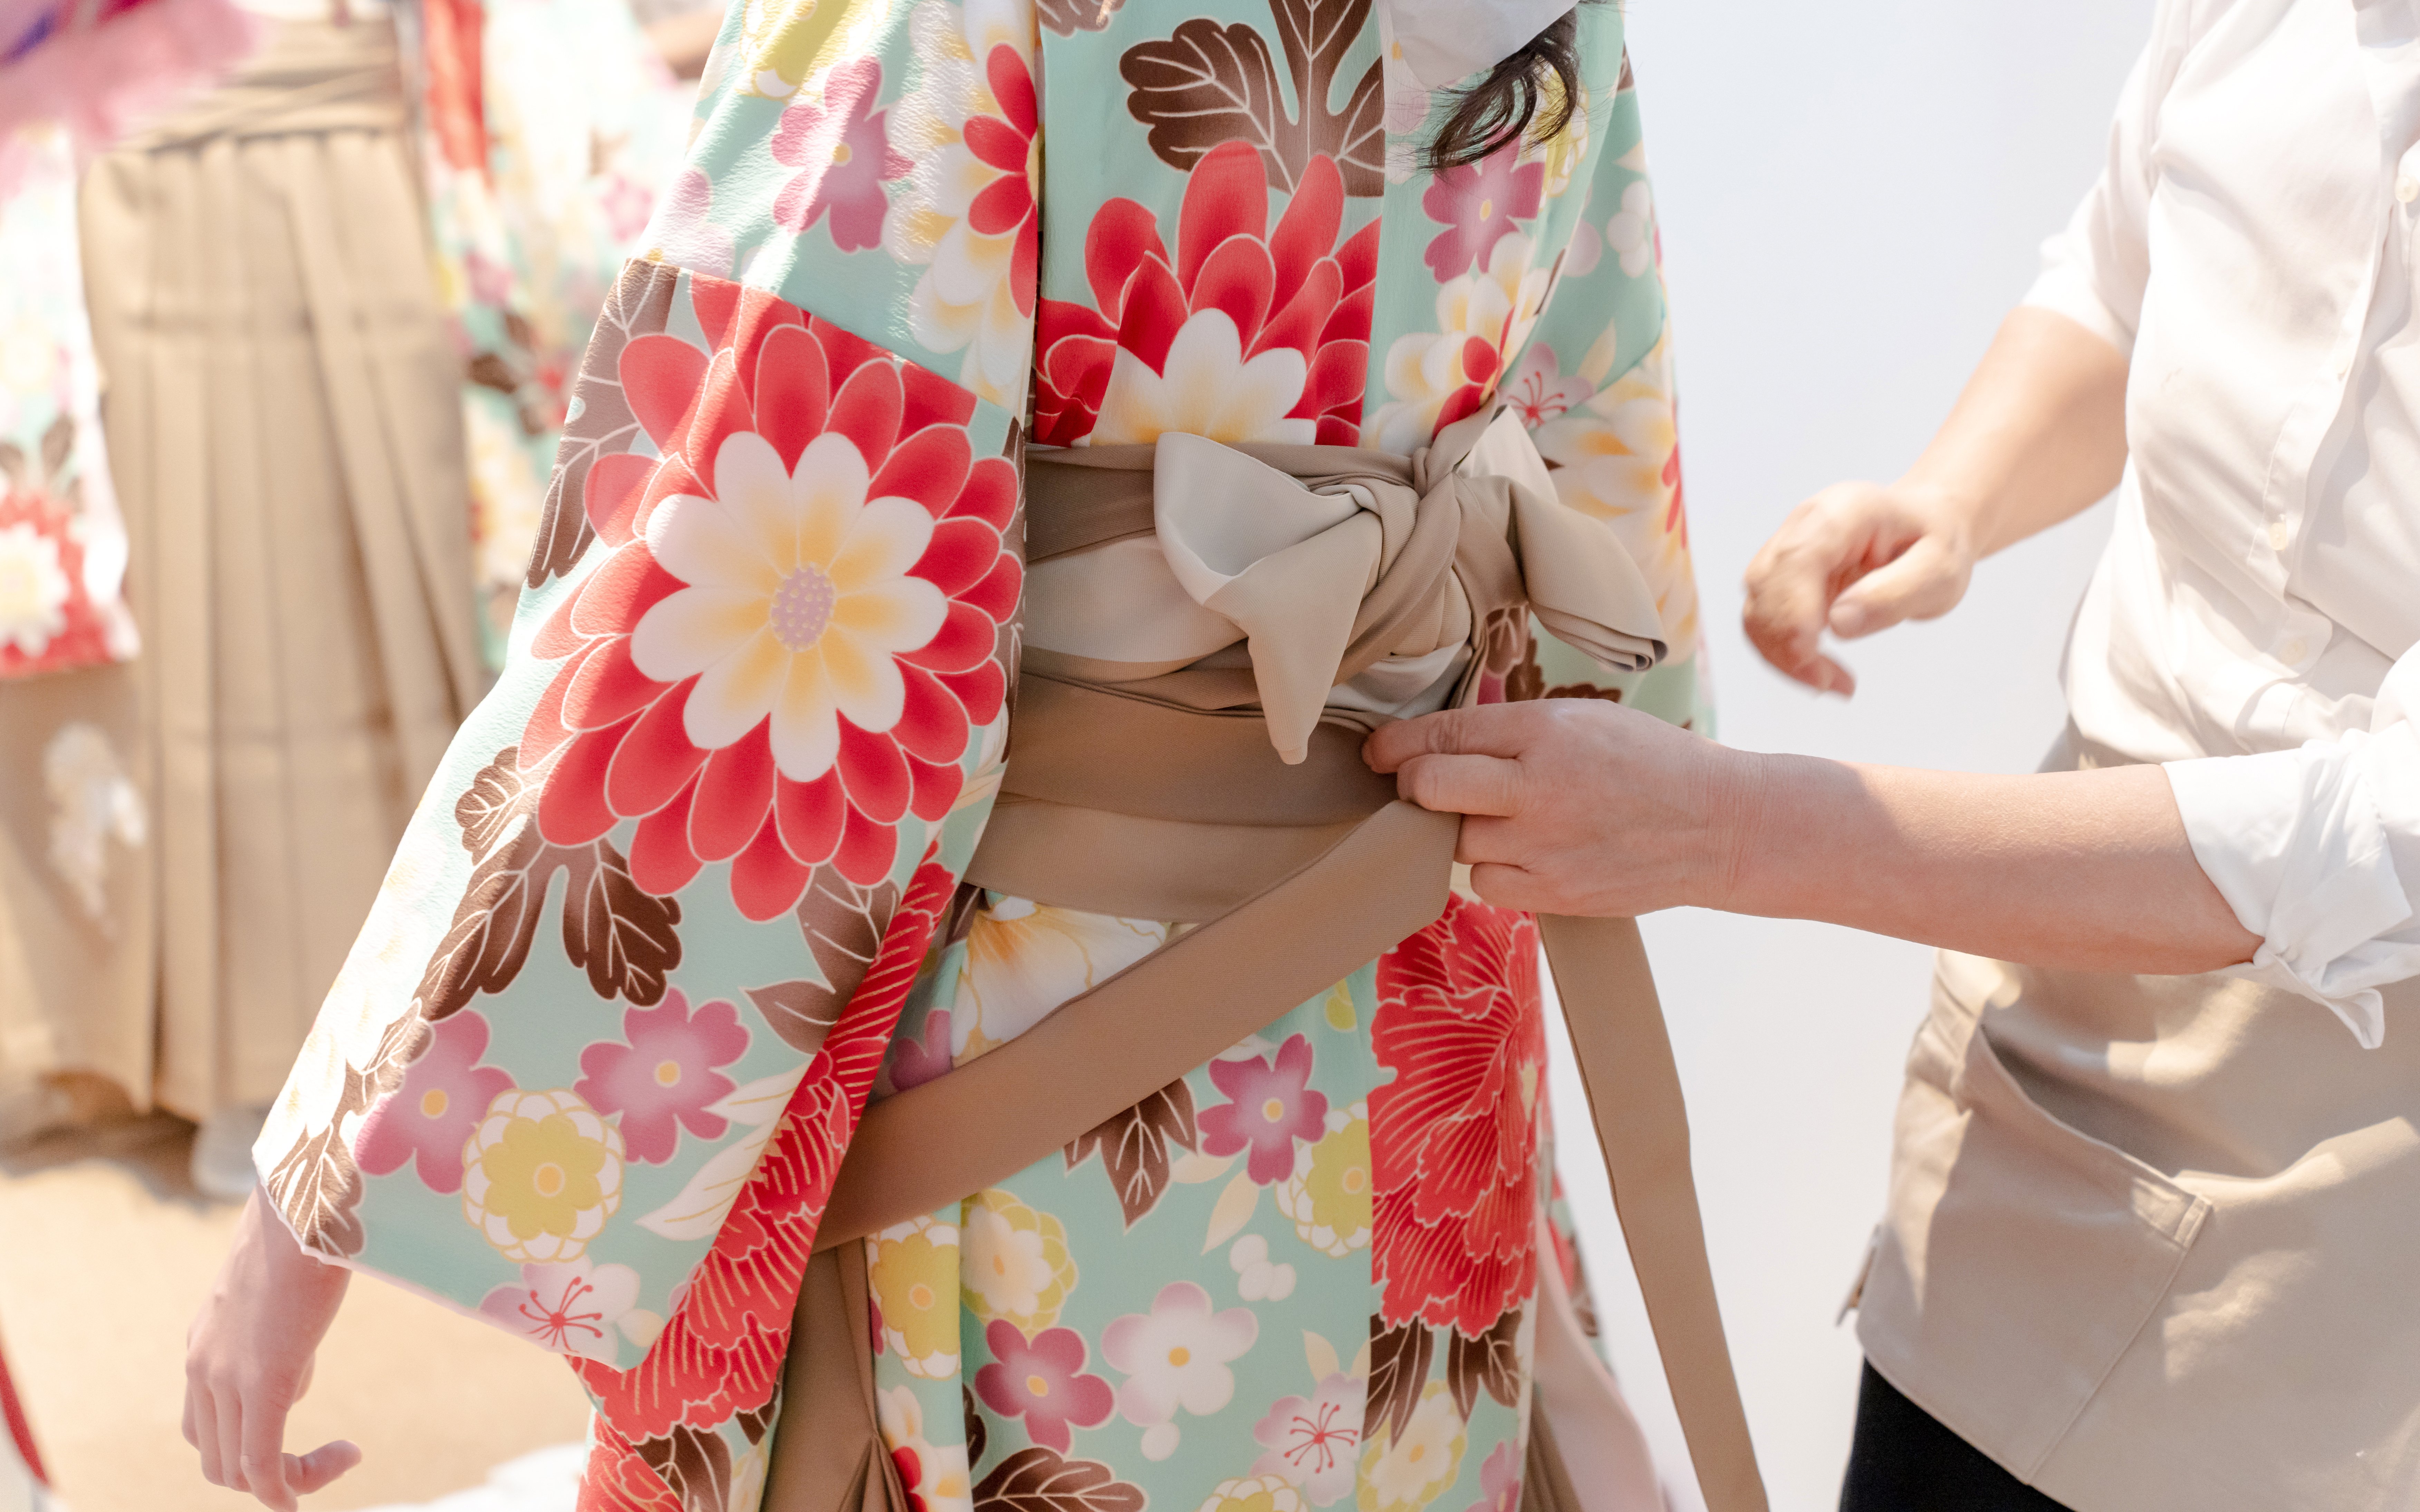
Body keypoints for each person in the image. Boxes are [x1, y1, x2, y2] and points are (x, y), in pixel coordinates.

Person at [179, 2, 1725, 1512]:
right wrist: (1640, 799)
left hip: (1067, 1030)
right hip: (1423, 996)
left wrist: (321, 1194)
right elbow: (1599, 453)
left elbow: (750, 577)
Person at [1368, 1, 2420, 1508]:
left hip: (2357, 1179)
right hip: (2052, 1031)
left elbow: (2386, 835)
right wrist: (1957, 500)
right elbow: (2127, 267)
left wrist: (1731, 832)